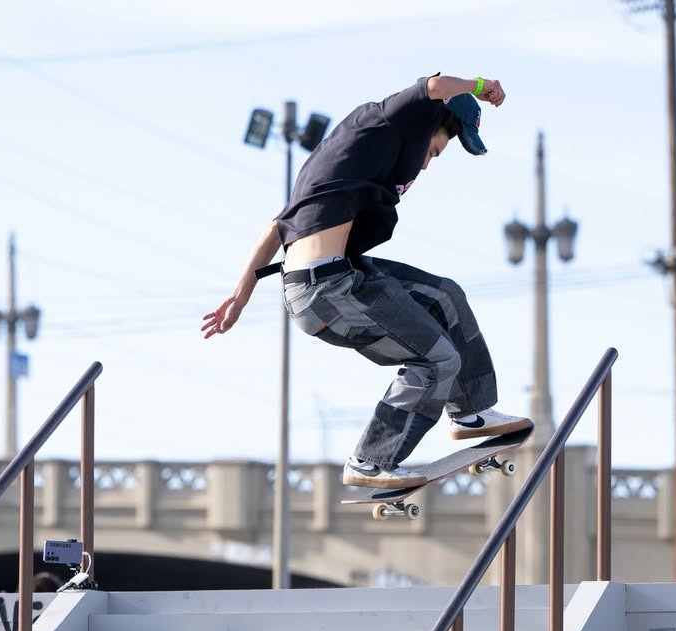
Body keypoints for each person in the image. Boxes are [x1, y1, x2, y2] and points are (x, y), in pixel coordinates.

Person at [202, 73, 528, 489]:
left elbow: (275, 227)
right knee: (436, 360)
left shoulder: (353, 152)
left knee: (445, 295)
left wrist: (239, 296)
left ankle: (470, 412)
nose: (426, 164)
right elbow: (434, 85)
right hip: (327, 292)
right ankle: (370, 460)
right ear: (429, 125)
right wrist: (481, 85)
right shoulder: (390, 118)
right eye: (434, 151)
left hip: (345, 275)